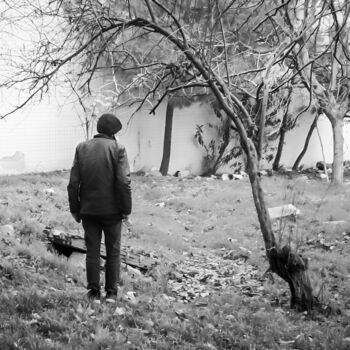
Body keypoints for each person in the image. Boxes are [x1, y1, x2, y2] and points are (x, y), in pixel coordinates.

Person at [67, 113, 132, 301]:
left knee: (92, 252)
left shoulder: (81, 148)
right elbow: (123, 182)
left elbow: (73, 183)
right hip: (113, 212)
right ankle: (111, 294)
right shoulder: (118, 149)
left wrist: (75, 208)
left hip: (88, 211)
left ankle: (93, 292)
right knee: (113, 252)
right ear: (114, 133)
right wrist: (126, 209)